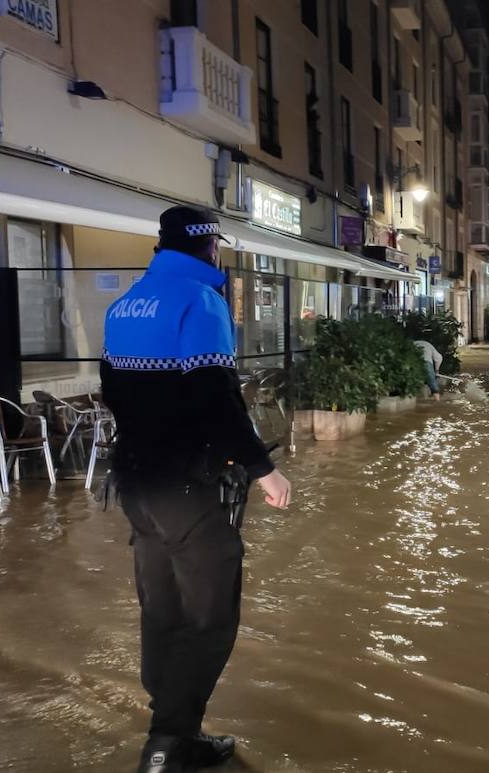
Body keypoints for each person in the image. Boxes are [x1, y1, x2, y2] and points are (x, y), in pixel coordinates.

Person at [101, 205, 293, 773]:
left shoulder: (124, 304)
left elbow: (114, 393)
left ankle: (175, 731)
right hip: (186, 486)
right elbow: (216, 398)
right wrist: (264, 469)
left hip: (136, 484)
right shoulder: (201, 301)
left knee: (162, 610)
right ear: (209, 247)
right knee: (210, 618)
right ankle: (167, 745)